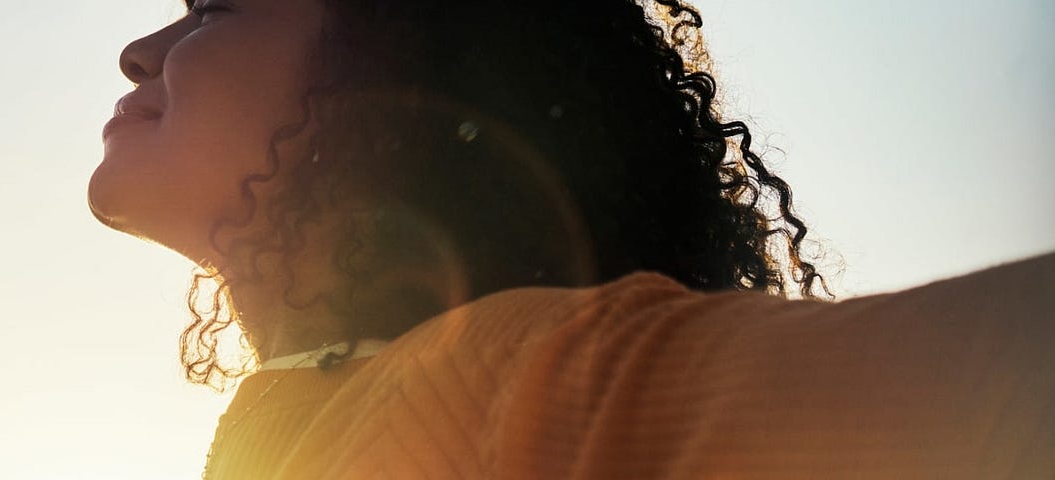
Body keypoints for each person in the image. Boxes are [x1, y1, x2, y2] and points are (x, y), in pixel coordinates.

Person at [88, 0, 1055, 478]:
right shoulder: (292, 427)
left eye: (216, 7)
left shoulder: (528, 383)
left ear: (391, 66)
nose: (141, 50)